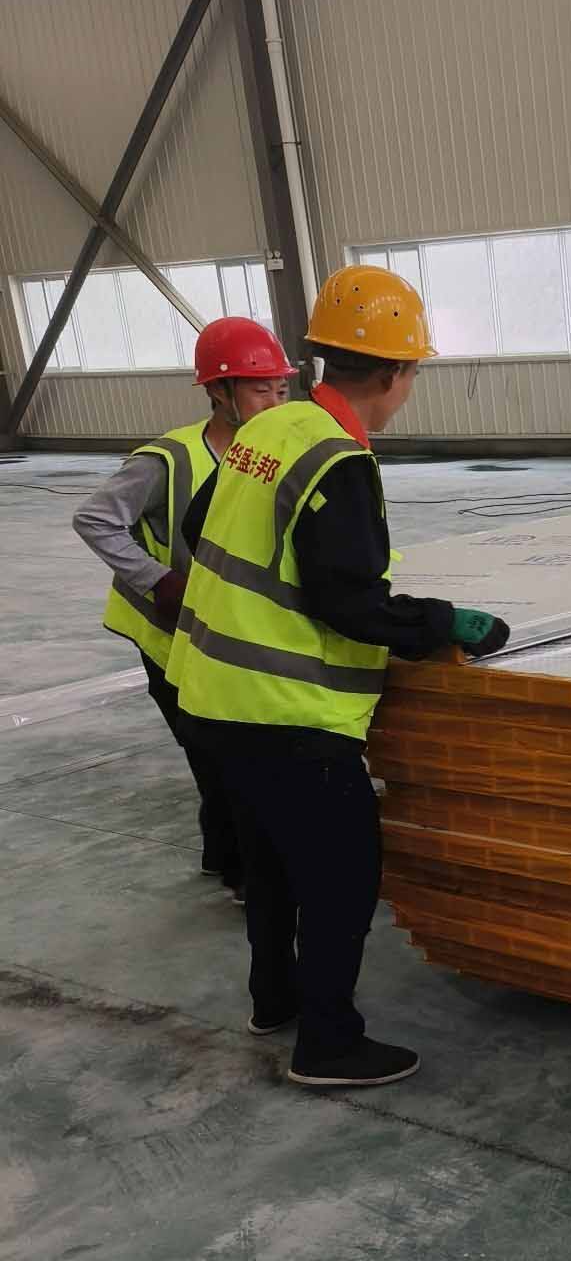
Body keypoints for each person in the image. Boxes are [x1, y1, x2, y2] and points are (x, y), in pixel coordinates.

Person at [170, 265, 510, 1090]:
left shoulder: (271, 429)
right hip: (284, 711)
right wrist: (440, 623)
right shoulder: (338, 459)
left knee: (269, 867)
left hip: (208, 695)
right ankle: (327, 1044)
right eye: (413, 371)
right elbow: (347, 601)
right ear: (395, 372)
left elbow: (195, 522)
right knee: (341, 874)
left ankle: (274, 1000)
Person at [71, 316, 291, 900]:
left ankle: (221, 853)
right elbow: (95, 519)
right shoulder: (168, 460)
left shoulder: (273, 453)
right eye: (260, 389)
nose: (274, 403)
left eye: (281, 390)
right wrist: (158, 579)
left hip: (219, 628)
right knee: (216, 752)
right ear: (219, 391)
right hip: (168, 630)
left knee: (225, 749)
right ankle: (244, 875)